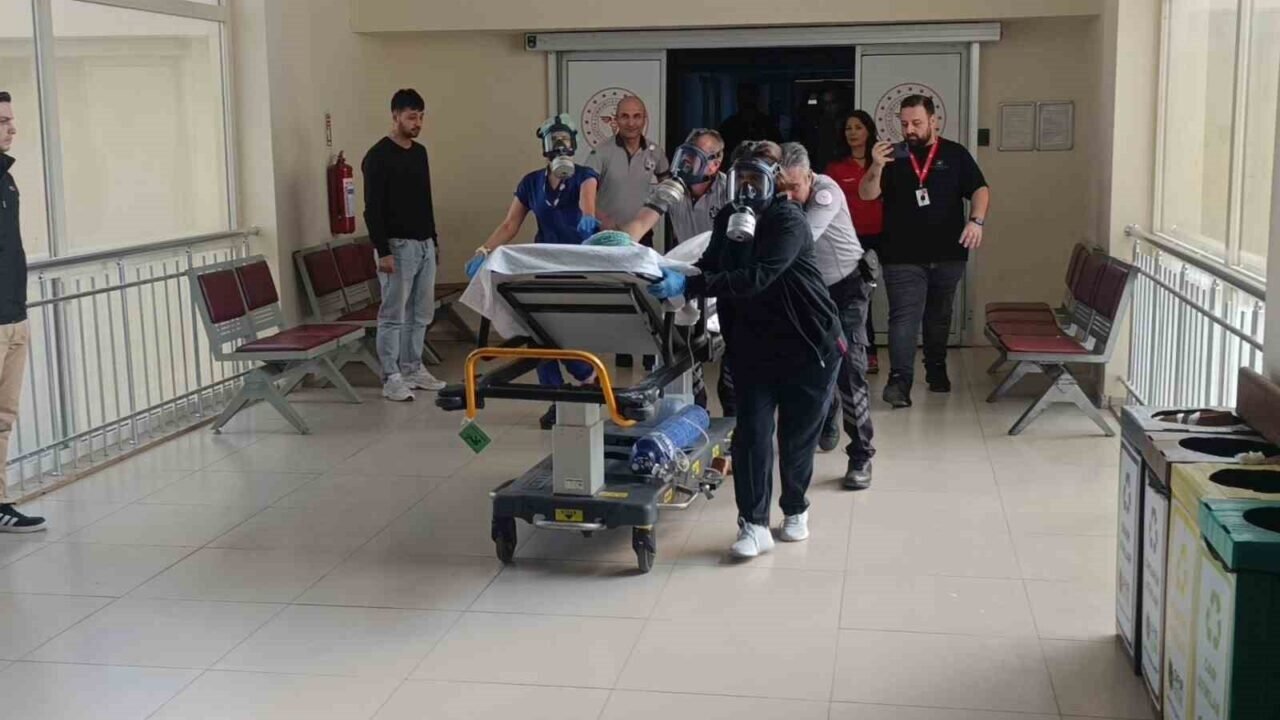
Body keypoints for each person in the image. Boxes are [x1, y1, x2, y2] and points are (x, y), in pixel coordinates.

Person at [648, 141, 842, 559]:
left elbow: (757, 277)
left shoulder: (789, 221)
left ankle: (795, 508)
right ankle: (753, 525)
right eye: (741, 180)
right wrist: (672, 274)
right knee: (752, 436)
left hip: (809, 345)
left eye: (757, 179)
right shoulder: (727, 219)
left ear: (775, 181)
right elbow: (712, 265)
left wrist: (692, 284)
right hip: (753, 344)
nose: (748, 190)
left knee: (795, 439)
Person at [466, 114, 601, 430]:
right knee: (540, 334)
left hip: (576, 266)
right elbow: (510, 224)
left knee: (563, 333)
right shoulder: (530, 182)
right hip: (543, 265)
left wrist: (588, 218)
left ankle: (587, 377)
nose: (561, 147)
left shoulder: (585, 176)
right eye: (555, 141)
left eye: (566, 140)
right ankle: (557, 397)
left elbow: (588, 205)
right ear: (544, 146)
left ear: (574, 143)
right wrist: (484, 251)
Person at [859, 95, 990, 408]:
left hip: (948, 252)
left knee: (939, 315)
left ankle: (936, 368)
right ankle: (899, 382)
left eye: (916, 123)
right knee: (903, 317)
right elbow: (867, 193)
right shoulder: (890, 155)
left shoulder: (954, 154)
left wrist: (976, 221)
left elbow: (979, 189)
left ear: (933, 121)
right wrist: (876, 165)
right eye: (904, 124)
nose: (910, 130)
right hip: (901, 253)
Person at [778, 143, 875, 490]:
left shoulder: (826, 192)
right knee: (812, 363)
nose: (789, 196)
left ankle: (861, 455)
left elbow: (800, 240)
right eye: (782, 188)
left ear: (809, 176)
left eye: (795, 187)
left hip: (847, 287)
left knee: (850, 370)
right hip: (814, 291)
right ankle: (828, 412)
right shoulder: (784, 195)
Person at [619, 129, 734, 415]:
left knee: (733, 377)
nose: (686, 164)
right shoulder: (670, 189)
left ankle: (736, 425)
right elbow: (641, 224)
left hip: (724, 277)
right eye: (685, 155)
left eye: (695, 157)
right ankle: (696, 413)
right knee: (684, 357)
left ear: (714, 163)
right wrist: (615, 245)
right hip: (685, 276)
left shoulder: (730, 190)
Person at [362, 89, 445, 403]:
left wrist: (433, 241)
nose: (418, 123)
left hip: (423, 244)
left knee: (421, 312)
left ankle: (413, 368)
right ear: (395, 116)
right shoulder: (377, 156)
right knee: (393, 314)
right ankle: (391, 376)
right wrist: (382, 250)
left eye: (421, 117)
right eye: (412, 117)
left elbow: (425, 200)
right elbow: (372, 209)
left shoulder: (420, 153)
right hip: (396, 246)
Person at [585, 95, 667, 369]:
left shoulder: (655, 152)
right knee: (619, 297)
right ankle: (623, 350)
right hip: (610, 237)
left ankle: (649, 350)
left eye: (637, 116)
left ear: (644, 119)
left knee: (647, 294)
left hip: (643, 236)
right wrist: (603, 220)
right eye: (625, 116)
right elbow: (585, 195)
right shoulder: (601, 153)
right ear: (615, 120)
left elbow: (668, 185)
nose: (631, 123)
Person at [0, 91, 47, 532]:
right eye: (2, 121)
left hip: (14, 314)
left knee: (3, 418)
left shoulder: (7, 179)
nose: (12, 128)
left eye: (10, 119)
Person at [826, 110, 884, 374]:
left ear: (869, 130)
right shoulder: (836, 167)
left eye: (858, 127)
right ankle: (867, 351)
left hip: (883, 236)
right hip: (851, 239)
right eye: (848, 128)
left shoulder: (882, 162)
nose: (852, 133)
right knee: (861, 296)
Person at [717, 83, 783, 163]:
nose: (747, 100)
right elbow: (721, 152)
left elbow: (778, 149)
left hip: (764, 166)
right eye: (743, 98)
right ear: (738, 100)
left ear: (756, 99)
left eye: (750, 97)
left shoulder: (768, 125)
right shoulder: (728, 126)